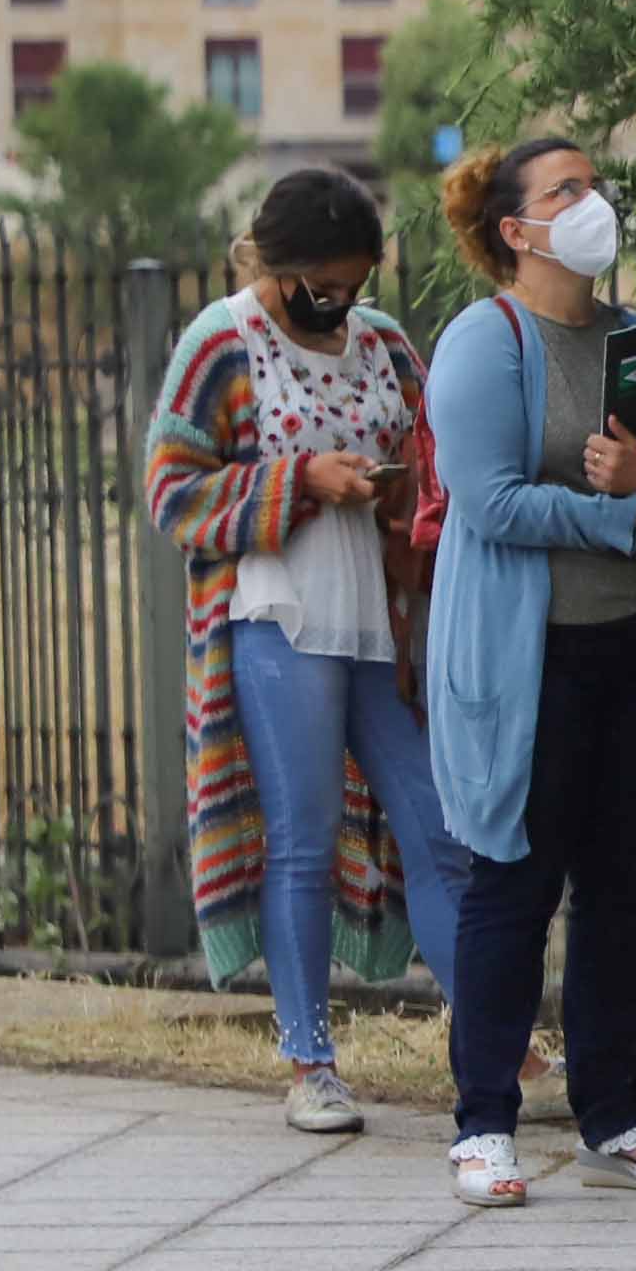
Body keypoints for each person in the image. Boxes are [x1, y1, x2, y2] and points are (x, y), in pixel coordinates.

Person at [143, 170, 469, 1135]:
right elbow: (173, 495)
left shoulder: (385, 347)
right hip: (275, 613)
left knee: (438, 825)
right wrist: (301, 482)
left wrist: (405, 498)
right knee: (302, 833)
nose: (341, 299)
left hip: (378, 618)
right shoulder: (221, 342)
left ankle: (492, 1039)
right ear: (277, 264)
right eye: (325, 281)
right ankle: (309, 1059)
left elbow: (433, 456)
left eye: (356, 280)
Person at [425, 138, 636, 1208]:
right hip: (528, 661)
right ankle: (483, 1123)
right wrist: (619, 512)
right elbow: (488, 500)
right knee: (514, 880)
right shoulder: (485, 343)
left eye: (596, 184)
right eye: (569, 191)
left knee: (621, 890)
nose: (595, 204)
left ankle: (615, 1113)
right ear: (516, 230)